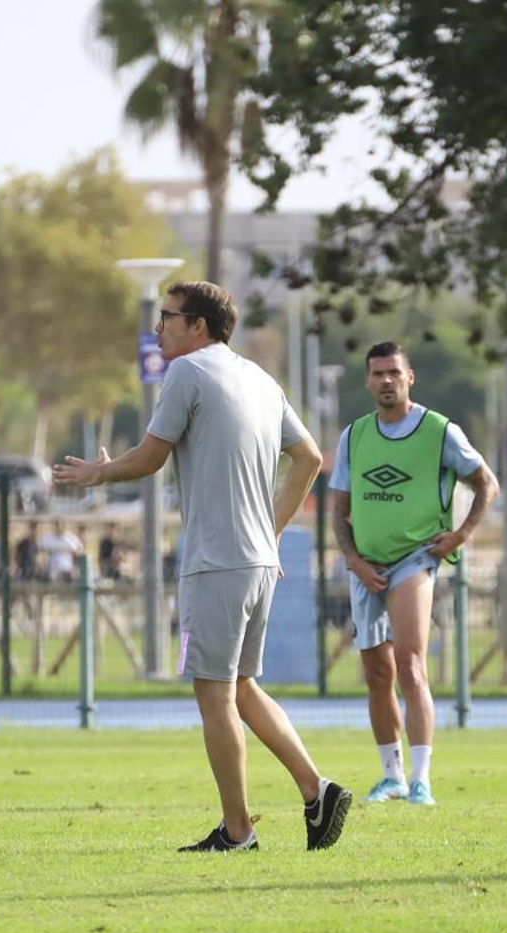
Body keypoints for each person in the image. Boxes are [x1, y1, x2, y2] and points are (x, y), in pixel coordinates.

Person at [54, 280, 351, 852]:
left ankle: (239, 831)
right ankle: (318, 790)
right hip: (258, 561)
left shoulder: (187, 372)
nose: (158, 326)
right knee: (241, 689)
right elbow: (310, 459)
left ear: (198, 327)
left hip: (216, 562)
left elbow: (150, 457)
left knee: (214, 695)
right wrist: (269, 532)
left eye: (167, 317)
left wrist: (98, 474)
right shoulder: (260, 378)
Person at [330, 342, 498, 806]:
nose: (386, 380)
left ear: (410, 378)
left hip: (414, 560)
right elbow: (339, 509)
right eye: (377, 373)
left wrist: (460, 535)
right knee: (377, 674)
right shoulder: (355, 436)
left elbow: (486, 483)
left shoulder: (439, 430)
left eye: (394, 373)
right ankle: (392, 776)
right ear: (367, 381)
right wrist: (354, 561)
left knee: (410, 664)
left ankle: (421, 780)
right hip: (366, 566)